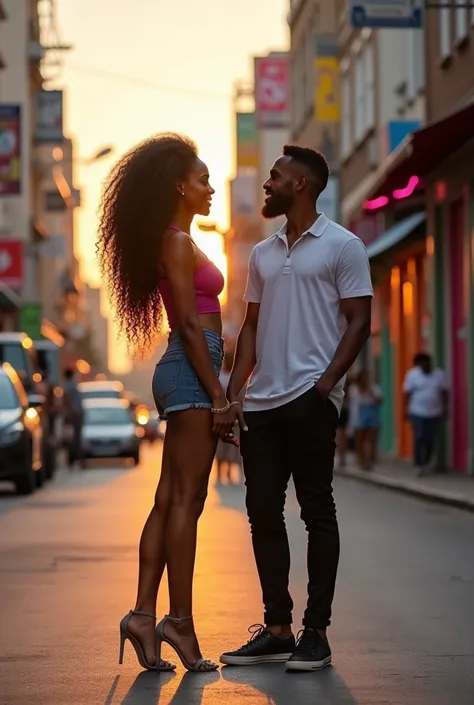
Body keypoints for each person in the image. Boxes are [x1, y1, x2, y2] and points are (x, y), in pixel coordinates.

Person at [220, 145, 373, 672]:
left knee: (316, 511)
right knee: (262, 512)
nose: (268, 184)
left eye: (276, 176)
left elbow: (358, 321)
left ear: (301, 184)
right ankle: (278, 627)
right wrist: (234, 395)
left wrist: (325, 384)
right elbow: (253, 327)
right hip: (262, 405)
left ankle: (317, 633)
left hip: (311, 399)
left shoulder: (343, 246)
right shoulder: (262, 253)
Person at [97, 133, 242, 673]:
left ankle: (142, 615)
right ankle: (178, 621)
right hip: (191, 363)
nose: (209, 189)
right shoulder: (177, 242)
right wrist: (220, 393)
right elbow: (185, 322)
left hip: (185, 365)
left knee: (168, 500)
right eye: (203, 180)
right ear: (179, 185)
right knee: (187, 502)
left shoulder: (181, 238)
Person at [403, 352, 448, 476]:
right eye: (420, 364)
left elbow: (444, 393)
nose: (423, 366)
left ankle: (426, 461)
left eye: (425, 363)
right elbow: (407, 393)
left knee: (430, 439)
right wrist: (405, 409)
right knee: (419, 437)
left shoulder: (439, 375)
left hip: (434, 412)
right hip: (417, 412)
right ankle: (418, 464)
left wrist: (445, 409)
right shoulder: (412, 375)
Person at [215, 352, 243, 485]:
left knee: (221, 446)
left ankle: (220, 474)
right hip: (235, 419)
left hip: (221, 416)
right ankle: (228, 473)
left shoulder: (220, 378)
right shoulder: (239, 380)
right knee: (232, 447)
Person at [352, 369, 382, 471]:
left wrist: (371, 392)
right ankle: (361, 460)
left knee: (370, 440)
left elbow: (379, 400)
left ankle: (369, 461)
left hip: (372, 414)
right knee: (360, 440)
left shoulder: (374, 388)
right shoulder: (355, 389)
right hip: (359, 415)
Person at [62, 368, 85, 468]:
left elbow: (67, 400)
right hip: (75, 414)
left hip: (73, 414)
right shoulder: (72, 386)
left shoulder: (69, 386)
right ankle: (78, 460)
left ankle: (75, 460)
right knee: (75, 438)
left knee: (74, 438)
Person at [336, 379, 351, 467]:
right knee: (341, 434)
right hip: (342, 407)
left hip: (341, 408)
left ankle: (342, 457)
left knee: (340, 434)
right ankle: (341, 457)